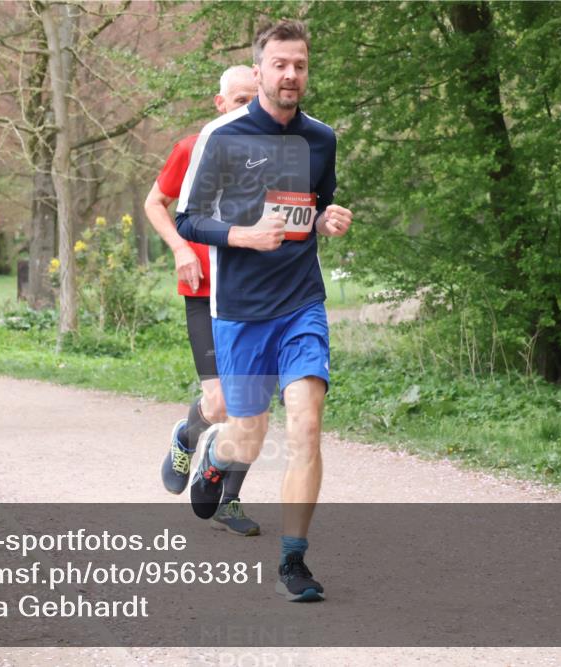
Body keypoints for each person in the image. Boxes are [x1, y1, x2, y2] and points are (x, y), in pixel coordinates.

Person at [175, 20, 353, 602]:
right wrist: (242, 236)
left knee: (305, 424)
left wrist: (329, 218)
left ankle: (294, 562)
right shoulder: (221, 136)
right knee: (247, 438)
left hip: (301, 303)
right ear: (259, 71)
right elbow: (187, 218)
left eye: (299, 65)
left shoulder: (322, 138)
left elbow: (319, 202)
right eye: (279, 64)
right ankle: (213, 458)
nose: (290, 75)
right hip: (242, 311)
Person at [144, 65, 261, 537]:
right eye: (238, 101)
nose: (246, 110)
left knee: (251, 406)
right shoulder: (192, 149)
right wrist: (178, 249)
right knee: (219, 401)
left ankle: (228, 500)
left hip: (255, 295)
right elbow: (155, 202)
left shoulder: (273, 156)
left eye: (253, 100)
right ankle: (187, 436)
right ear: (220, 105)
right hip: (204, 291)